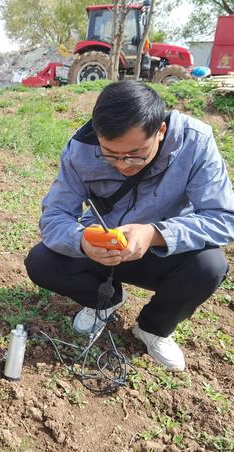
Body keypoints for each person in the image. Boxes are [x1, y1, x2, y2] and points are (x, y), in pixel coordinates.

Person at [25, 81, 234, 372]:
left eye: (136, 154)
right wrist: (83, 240)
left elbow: (224, 217)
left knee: (209, 266)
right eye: (109, 154)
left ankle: (153, 328)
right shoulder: (81, 149)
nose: (123, 165)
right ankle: (105, 301)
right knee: (42, 261)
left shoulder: (195, 142)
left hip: (164, 251)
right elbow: (55, 215)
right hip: (104, 247)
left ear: (160, 132)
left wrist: (155, 234)